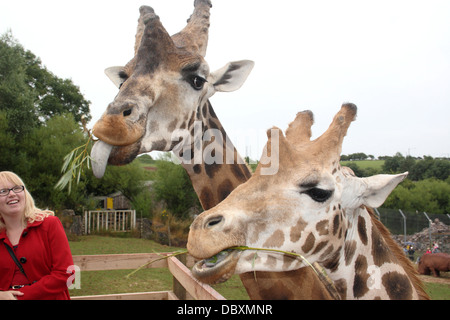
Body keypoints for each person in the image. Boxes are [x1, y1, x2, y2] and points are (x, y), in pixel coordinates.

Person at [0, 171, 74, 300]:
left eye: (17, 188)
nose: (12, 194)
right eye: (3, 191)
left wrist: (20, 297)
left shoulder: (49, 224)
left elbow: (67, 274)